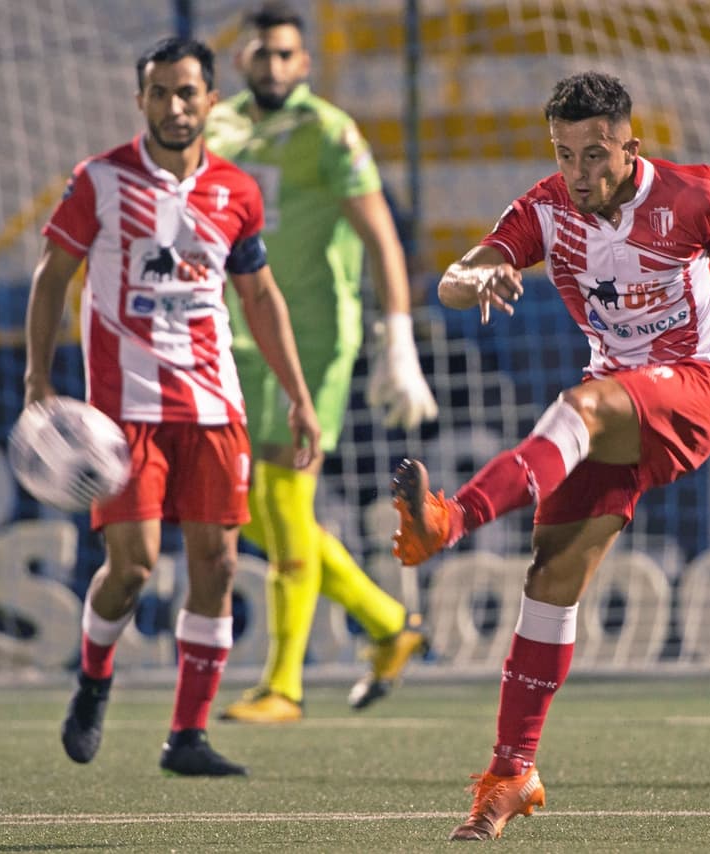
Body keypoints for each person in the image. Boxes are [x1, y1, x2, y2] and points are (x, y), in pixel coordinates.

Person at [391, 71, 710, 840]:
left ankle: (450, 519)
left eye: (596, 155)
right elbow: (459, 281)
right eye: (566, 155)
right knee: (550, 579)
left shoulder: (697, 194)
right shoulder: (545, 208)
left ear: (632, 147)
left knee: (578, 408)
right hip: (619, 396)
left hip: (694, 385)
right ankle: (511, 772)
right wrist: (481, 273)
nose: (581, 174)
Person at [23, 36, 320, 777]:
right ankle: (94, 678)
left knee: (217, 563)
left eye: (187, 93)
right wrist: (37, 380)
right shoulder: (99, 180)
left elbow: (257, 295)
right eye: (159, 93)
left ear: (210, 101)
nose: (174, 106)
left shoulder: (237, 191)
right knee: (133, 568)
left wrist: (298, 394)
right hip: (124, 410)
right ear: (141, 101)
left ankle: (186, 736)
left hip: (216, 405)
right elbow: (53, 275)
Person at [204, 2, 436, 724]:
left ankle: (283, 685)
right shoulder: (218, 127)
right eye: (261, 53)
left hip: (312, 339)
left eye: (285, 55)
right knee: (236, 506)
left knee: (283, 501)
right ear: (242, 58)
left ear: (304, 63)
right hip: (230, 335)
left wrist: (398, 338)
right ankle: (389, 625)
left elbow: (380, 237)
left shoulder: (331, 132)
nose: (273, 65)